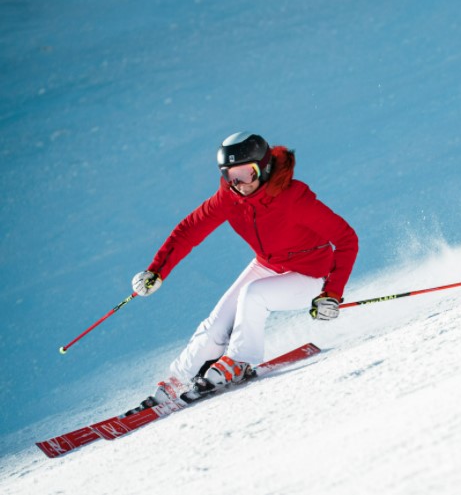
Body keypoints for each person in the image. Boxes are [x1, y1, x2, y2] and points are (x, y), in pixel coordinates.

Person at [130, 132, 358, 406]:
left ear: (264, 168)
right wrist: (157, 271)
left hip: (311, 275)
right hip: (268, 265)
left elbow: (346, 238)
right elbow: (189, 230)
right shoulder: (229, 197)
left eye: (245, 174)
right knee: (215, 325)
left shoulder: (293, 198)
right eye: (230, 175)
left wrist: (331, 292)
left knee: (253, 295)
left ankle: (240, 360)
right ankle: (178, 379)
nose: (238, 184)